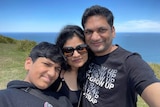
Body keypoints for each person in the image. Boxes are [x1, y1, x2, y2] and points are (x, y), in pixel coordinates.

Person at [81, 5, 160, 107]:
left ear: (113, 31)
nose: (95, 37)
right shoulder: (85, 57)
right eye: (89, 32)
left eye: (102, 30)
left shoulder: (130, 62)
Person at [0, 42, 73, 107]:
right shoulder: (5, 98)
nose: (52, 73)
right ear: (28, 63)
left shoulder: (63, 101)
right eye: (47, 64)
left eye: (57, 69)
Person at [55, 25, 92, 107]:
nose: (76, 54)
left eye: (81, 48)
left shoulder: (92, 71)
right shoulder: (57, 77)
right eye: (68, 50)